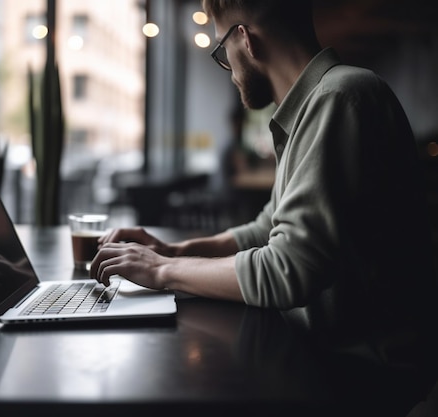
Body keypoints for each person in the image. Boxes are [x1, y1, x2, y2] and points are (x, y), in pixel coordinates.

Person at [90, 0, 437, 389]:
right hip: (325, 354)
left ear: (245, 39)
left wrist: (160, 270)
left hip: (361, 373)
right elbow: (266, 228)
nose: (229, 69)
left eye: (222, 50)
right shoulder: (313, 107)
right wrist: (174, 252)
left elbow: (289, 268)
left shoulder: (340, 97)